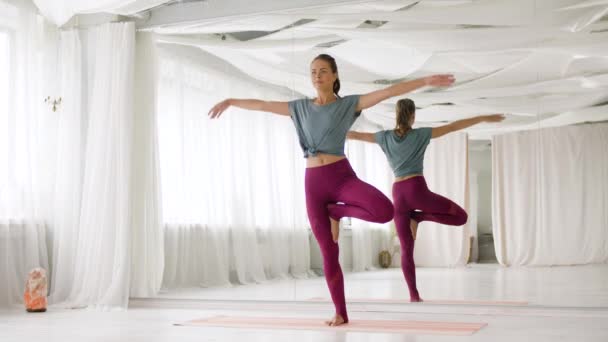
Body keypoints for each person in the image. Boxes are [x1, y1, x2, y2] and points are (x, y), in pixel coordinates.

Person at [208, 55, 455, 325]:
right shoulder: (299, 107)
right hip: (313, 183)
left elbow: (387, 92)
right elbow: (263, 105)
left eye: (323, 71)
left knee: (385, 211)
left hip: (341, 176)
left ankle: (336, 212)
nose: (317, 76)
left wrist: (424, 81)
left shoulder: (348, 105)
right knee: (328, 250)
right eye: (313, 72)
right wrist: (231, 101)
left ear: (335, 75)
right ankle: (340, 313)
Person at [347, 98, 505, 302]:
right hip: (417, 190)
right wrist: (483, 117)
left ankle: (414, 295)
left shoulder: (383, 137)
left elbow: (354, 135)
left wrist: (325, 131)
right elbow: (453, 126)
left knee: (406, 250)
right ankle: (420, 218)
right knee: (461, 217)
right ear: (413, 116)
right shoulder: (421, 134)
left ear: (396, 115)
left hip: (398, 194)